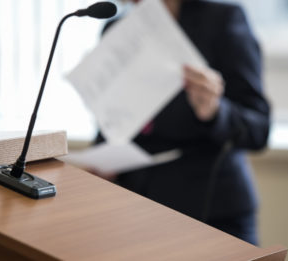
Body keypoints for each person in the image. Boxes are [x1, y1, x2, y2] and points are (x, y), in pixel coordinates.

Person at [96, 0, 270, 245]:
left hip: (212, 213)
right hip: (136, 210)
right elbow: (110, 125)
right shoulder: (115, 29)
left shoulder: (223, 20)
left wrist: (215, 111)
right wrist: (99, 164)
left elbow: (259, 129)